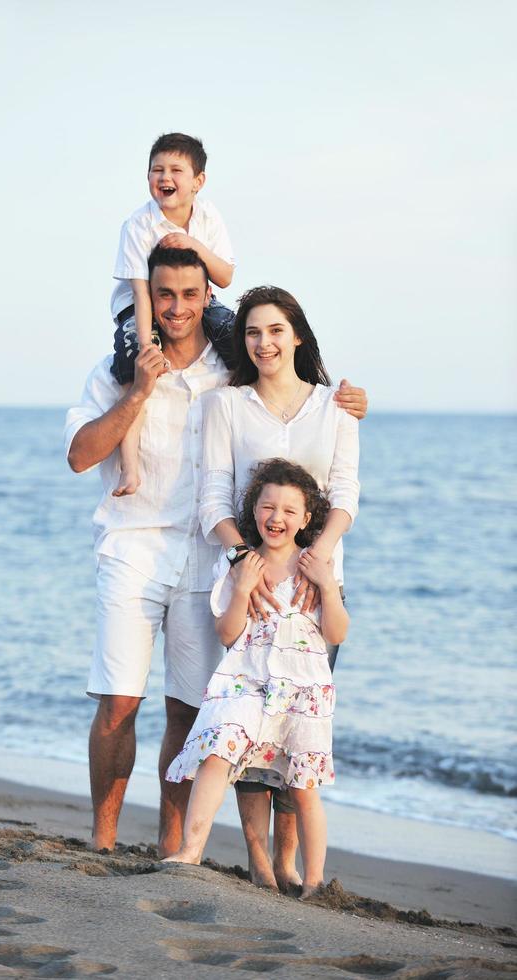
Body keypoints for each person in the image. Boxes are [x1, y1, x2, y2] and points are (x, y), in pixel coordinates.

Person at [65, 246, 366, 858]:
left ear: (208, 299)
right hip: (135, 545)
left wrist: (349, 399)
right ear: (148, 298)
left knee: (192, 707)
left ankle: (172, 852)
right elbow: (79, 455)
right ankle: (100, 847)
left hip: (208, 559)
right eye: (165, 294)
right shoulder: (118, 370)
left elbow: (288, 396)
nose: (177, 308)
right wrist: (138, 392)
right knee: (120, 700)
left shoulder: (229, 373)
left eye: (190, 295)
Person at [199, 284, 360, 891]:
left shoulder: (336, 406)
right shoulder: (227, 406)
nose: (263, 343)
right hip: (252, 585)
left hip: (318, 583)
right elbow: (213, 497)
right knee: (246, 718)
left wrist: (318, 559)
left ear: (296, 334)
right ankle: (259, 862)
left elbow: (345, 492)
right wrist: (246, 561)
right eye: (251, 333)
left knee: (300, 728)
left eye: (274, 330)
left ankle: (291, 860)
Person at [165, 459, 348, 899]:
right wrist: (243, 588)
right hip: (246, 679)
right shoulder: (240, 567)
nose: (276, 518)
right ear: (254, 511)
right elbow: (227, 634)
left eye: (289, 510)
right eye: (268, 507)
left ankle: (316, 879)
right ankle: (191, 849)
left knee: (303, 785)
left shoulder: (316, 567)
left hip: (303, 690)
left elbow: (336, 634)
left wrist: (326, 587)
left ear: (306, 519)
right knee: (218, 749)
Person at [110, 132, 236, 496]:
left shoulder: (209, 216)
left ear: (198, 182)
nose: (165, 178)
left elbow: (225, 277)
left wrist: (192, 244)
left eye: (176, 170)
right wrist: (149, 341)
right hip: (141, 305)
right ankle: (130, 468)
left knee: (235, 334)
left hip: (199, 300)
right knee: (135, 364)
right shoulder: (138, 225)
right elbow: (140, 291)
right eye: (156, 170)